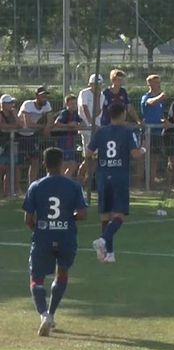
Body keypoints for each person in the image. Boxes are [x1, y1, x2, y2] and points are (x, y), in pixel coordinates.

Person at [22, 147, 87, 336]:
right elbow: (82, 214)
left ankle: (44, 315)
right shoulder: (73, 186)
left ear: (44, 164)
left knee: (36, 279)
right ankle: (51, 312)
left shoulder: (35, 186)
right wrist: (68, 219)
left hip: (43, 237)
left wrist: (42, 229)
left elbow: (27, 220)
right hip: (66, 236)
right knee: (62, 273)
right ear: (61, 164)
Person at [87, 104, 146, 263]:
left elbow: (88, 153)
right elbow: (135, 154)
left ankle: (109, 254)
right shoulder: (127, 132)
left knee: (105, 216)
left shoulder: (100, 132)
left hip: (103, 176)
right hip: (119, 176)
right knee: (119, 215)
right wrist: (144, 149)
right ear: (123, 114)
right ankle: (103, 240)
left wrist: (99, 160)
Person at [17, 86, 54, 185]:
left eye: (46, 96)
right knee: (19, 164)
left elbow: (50, 120)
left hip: (32, 136)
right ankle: (15, 188)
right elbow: (28, 124)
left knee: (35, 160)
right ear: (36, 96)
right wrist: (43, 127)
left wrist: (47, 127)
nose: (45, 98)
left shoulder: (47, 105)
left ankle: (31, 185)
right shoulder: (28, 104)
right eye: (42, 96)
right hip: (19, 135)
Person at [77, 74, 105, 184]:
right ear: (90, 84)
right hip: (87, 129)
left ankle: (86, 182)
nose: (98, 87)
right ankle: (80, 181)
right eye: (95, 85)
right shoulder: (84, 93)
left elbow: (98, 111)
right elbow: (84, 108)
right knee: (88, 158)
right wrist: (90, 123)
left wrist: (98, 97)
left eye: (99, 85)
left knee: (94, 159)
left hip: (96, 129)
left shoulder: (102, 96)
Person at [140, 74, 167, 186]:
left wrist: (164, 121)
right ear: (149, 84)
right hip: (147, 132)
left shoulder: (160, 100)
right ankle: (139, 182)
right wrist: (160, 97)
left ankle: (151, 182)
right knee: (142, 157)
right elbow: (150, 102)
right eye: (155, 82)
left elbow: (159, 114)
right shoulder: (146, 97)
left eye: (159, 82)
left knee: (154, 158)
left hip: (157, 132)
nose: (158, 84)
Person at [52, 95, 83, 178]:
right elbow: (56, 123)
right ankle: (61, 180)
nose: (74, 105)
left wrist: (77, 125)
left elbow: (82, 123)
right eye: (71, 103)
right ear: (67, 105)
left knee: (73, 164)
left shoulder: (76, 114)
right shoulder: (64, 113)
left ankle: (65, 179)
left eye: (75, 103)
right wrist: (68, 125)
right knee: (63, 163)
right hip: (63, 141)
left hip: (71, 141)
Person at [0, 94, 21, 195]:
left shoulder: (13, 113)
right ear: (3, 104)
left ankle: (7, 191)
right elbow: (1, 126)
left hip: (11, 144)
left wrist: (15, 114)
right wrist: (13, 126)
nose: (12, 105)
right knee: (1, 168)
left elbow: (20, 125)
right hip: (2, 144)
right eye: (9, 103)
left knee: (10, 168)